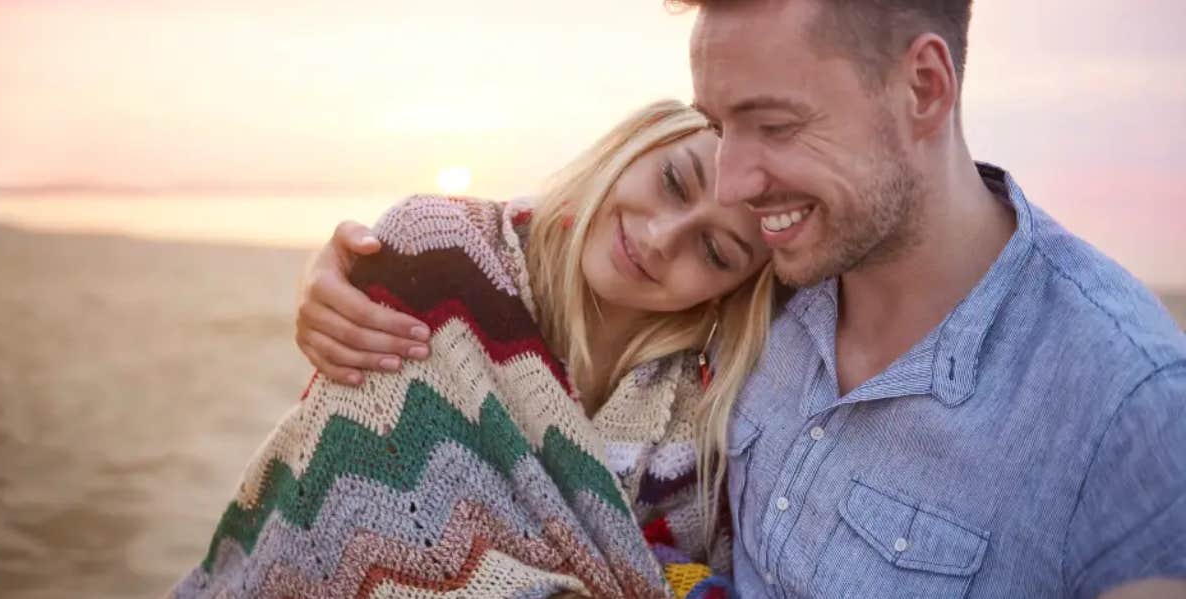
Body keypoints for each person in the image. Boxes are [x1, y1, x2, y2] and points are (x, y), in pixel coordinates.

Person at [297, 1, 1186, 597]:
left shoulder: (1124, 403)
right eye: (718, 126)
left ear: (924, 87)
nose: (736, 178)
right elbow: (539, 260)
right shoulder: (768, 285)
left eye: (774, 125)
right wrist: (382, 259)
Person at [176, 100, 777, 598]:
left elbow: (679, 564)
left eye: (715, 252)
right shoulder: (440, 257)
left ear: (738, 287)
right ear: (639, 140)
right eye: (673, 181)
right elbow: (370, 510)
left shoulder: (705, 401)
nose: (658, 238)